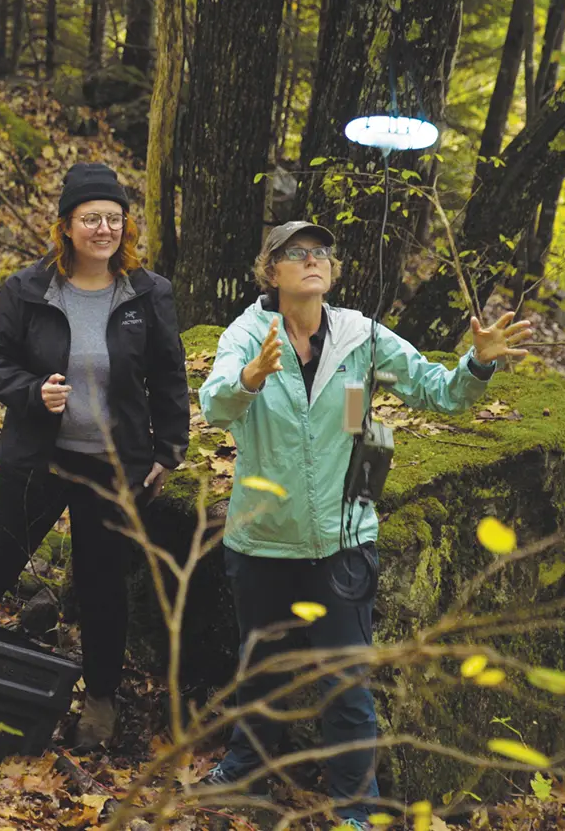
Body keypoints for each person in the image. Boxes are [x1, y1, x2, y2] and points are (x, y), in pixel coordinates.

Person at [197, 221, 532, 826]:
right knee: (260, 670)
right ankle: (246, 772)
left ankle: (355, 810)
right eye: (295, 253)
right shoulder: (248, 334)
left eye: (321, 252)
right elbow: (214, 403)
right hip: (263, 539)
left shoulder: (360, 337)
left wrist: (476, 365)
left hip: (344, 538)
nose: (312, 260)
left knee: (346, 685)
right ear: (270, 271)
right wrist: (247, 380)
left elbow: (438, 392)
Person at [0, 163, 191, 750]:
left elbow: (168, 375)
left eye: (112, 218)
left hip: (113, 468)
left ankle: (100, 702)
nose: (103, 228)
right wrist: (33, 392)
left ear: (124, 227)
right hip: (38, 460)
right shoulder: (28, 289)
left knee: (103, 587)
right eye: (90, 219)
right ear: (67, 226)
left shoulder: (148, 293)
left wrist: (168, 452)